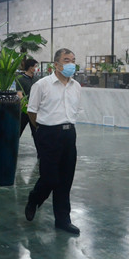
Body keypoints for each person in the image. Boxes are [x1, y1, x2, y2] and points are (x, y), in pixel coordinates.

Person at [24, 48, 81, 235]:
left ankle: (63, 220)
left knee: (66, 180)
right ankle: (34, 199)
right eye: (67, 60)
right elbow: (32, 111)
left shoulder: (76, 86)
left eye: (73, 60)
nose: (71, 64)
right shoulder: (42, 85)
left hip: (69, 134)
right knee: (50, 178)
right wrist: (43, 129)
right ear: (56, 64)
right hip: (49, 134)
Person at [17, 58, 39, 148]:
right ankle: (12, 149)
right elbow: (19, 94)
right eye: (35, 66)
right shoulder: (20, 79)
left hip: (35, 110)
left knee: (36, 132)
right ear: (30, 67)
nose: (36, 68)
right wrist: (25, 104)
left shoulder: (37, 79)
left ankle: (40, 152)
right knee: (18, 130)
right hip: (24, 110)